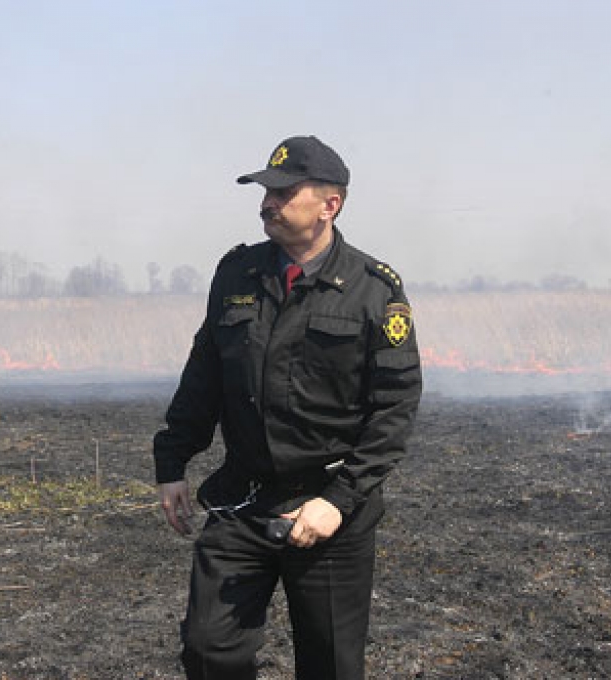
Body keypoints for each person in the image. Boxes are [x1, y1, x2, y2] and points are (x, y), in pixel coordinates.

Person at [153, 135, 423, 680]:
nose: (268, 203)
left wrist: (339, 501)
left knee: (330, 668)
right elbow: (205, 375)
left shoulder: (373, 292)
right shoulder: (237, 275)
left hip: (328, 510)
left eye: (283, 192)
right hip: (243, 500)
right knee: (207, 651)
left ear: (330, 205)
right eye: (266, 192)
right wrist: (172, 462)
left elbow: (394, 409)